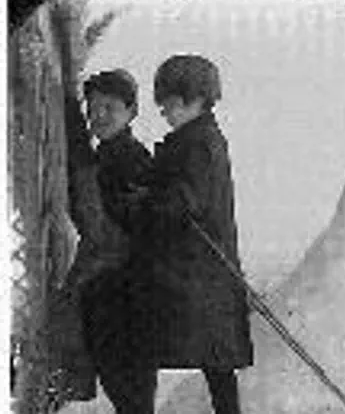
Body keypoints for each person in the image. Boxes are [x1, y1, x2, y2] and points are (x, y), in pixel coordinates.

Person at [105, 54, 253, 414]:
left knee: (156, 343)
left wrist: (142, 204)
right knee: (215, 362)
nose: (165, 112)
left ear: (195, 101)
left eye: (171, 104)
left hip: (197, 272)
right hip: (200, 273)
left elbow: (184, 201)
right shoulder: (193, 138)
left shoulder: (199, 144)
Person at [59, 68, 156, 411]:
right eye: (92, 107)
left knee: (127, 387)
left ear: (132, 112)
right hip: (111, 286)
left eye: (109, 107)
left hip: (123, 289)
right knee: (125, 389)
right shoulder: (108, 154)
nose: (98, 115)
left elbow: (126, 226)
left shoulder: (131, 158)